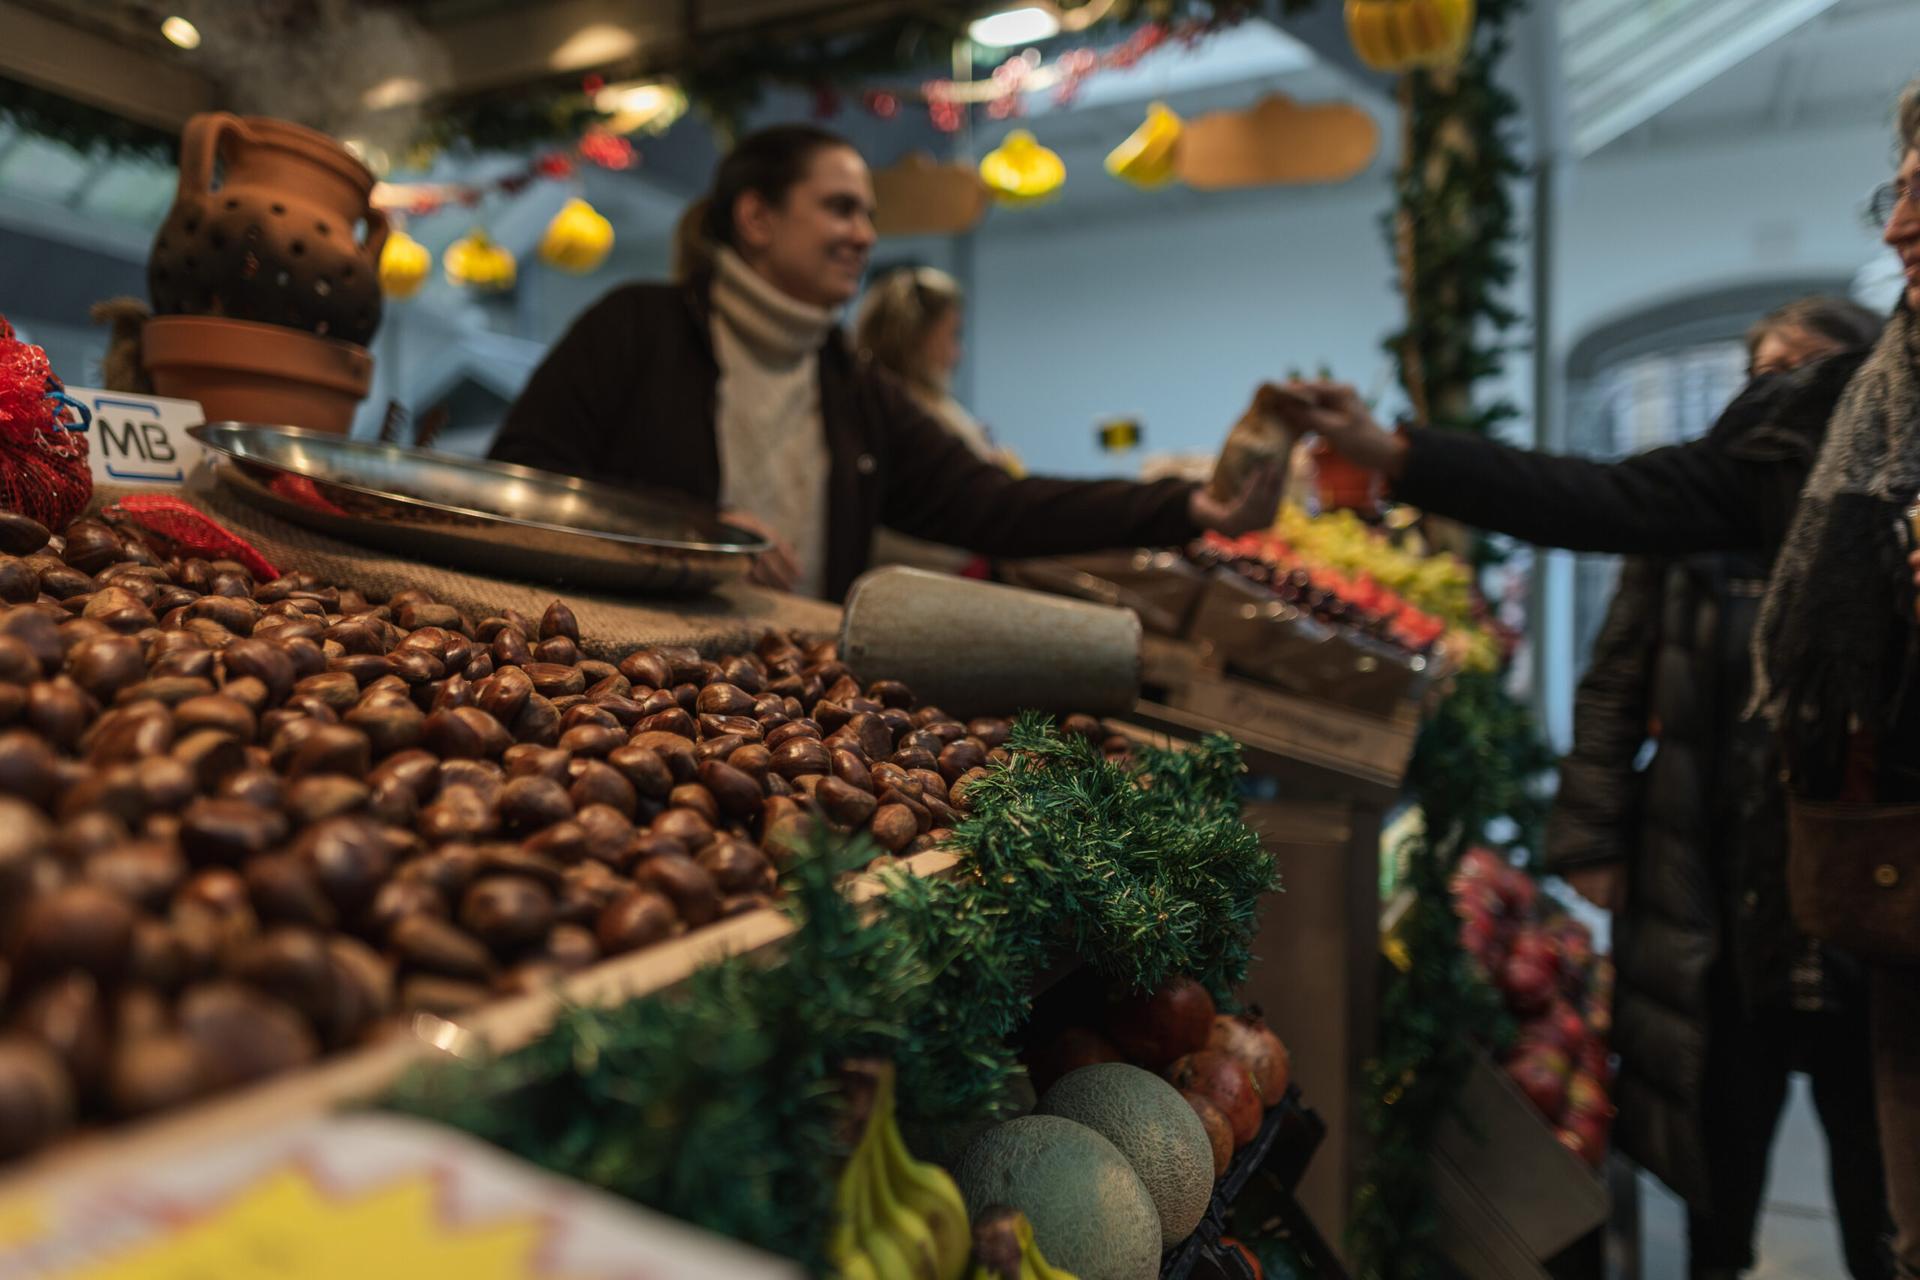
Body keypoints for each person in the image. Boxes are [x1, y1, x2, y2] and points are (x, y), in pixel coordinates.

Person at [1281, 79, 1920, 1278]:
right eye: (1898, 190)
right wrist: (1397, 453)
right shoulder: (1819, 426)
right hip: (1827, 900)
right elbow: (1610, 500)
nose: (1895, 227)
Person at [490, 124, 1281, 597]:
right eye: (839, 208)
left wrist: (1190, 510)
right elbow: (519, 479)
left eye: (868, 213)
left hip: (778, 703)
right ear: (757, 218)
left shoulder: (852, 389)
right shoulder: (634, 329)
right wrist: (688, 529)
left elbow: (996, 507)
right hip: (614, 684)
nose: (866, 235)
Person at [1547, 298, 1890, 1280]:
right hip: (1714, 887)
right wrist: (1594, 835)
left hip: (1860, 915)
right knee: (1716, 1168)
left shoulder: (1886, 519)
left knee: (1883, 1184)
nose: (1770, 385)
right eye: (1758, 366)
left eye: (1801, 366)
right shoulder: (1692, 520)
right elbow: (1615, 680)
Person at [853, 264, 1013, 576]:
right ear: (917, 337)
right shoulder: (905, 411)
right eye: (952, 334)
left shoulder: (904, 403)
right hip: (930, 579)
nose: (959, 352)